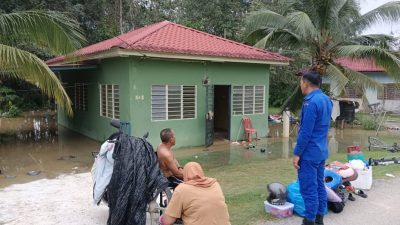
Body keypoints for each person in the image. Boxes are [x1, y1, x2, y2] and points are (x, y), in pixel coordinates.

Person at [292, 71, 333, 225]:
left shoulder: (310, 102)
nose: (300, 85)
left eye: (301, 82)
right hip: (321, 151)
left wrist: (297, 154)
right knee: (319, 186)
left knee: (308, 188)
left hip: (309, 154)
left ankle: (309, 220)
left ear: (306, 83)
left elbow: (305, 132)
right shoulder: (326, 99)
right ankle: (319, 218)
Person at [160, 162, 231, 225]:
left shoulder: (182, 189)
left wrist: (161, 219)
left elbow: (167, 221)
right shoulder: (214, 184)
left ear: (185, 174)